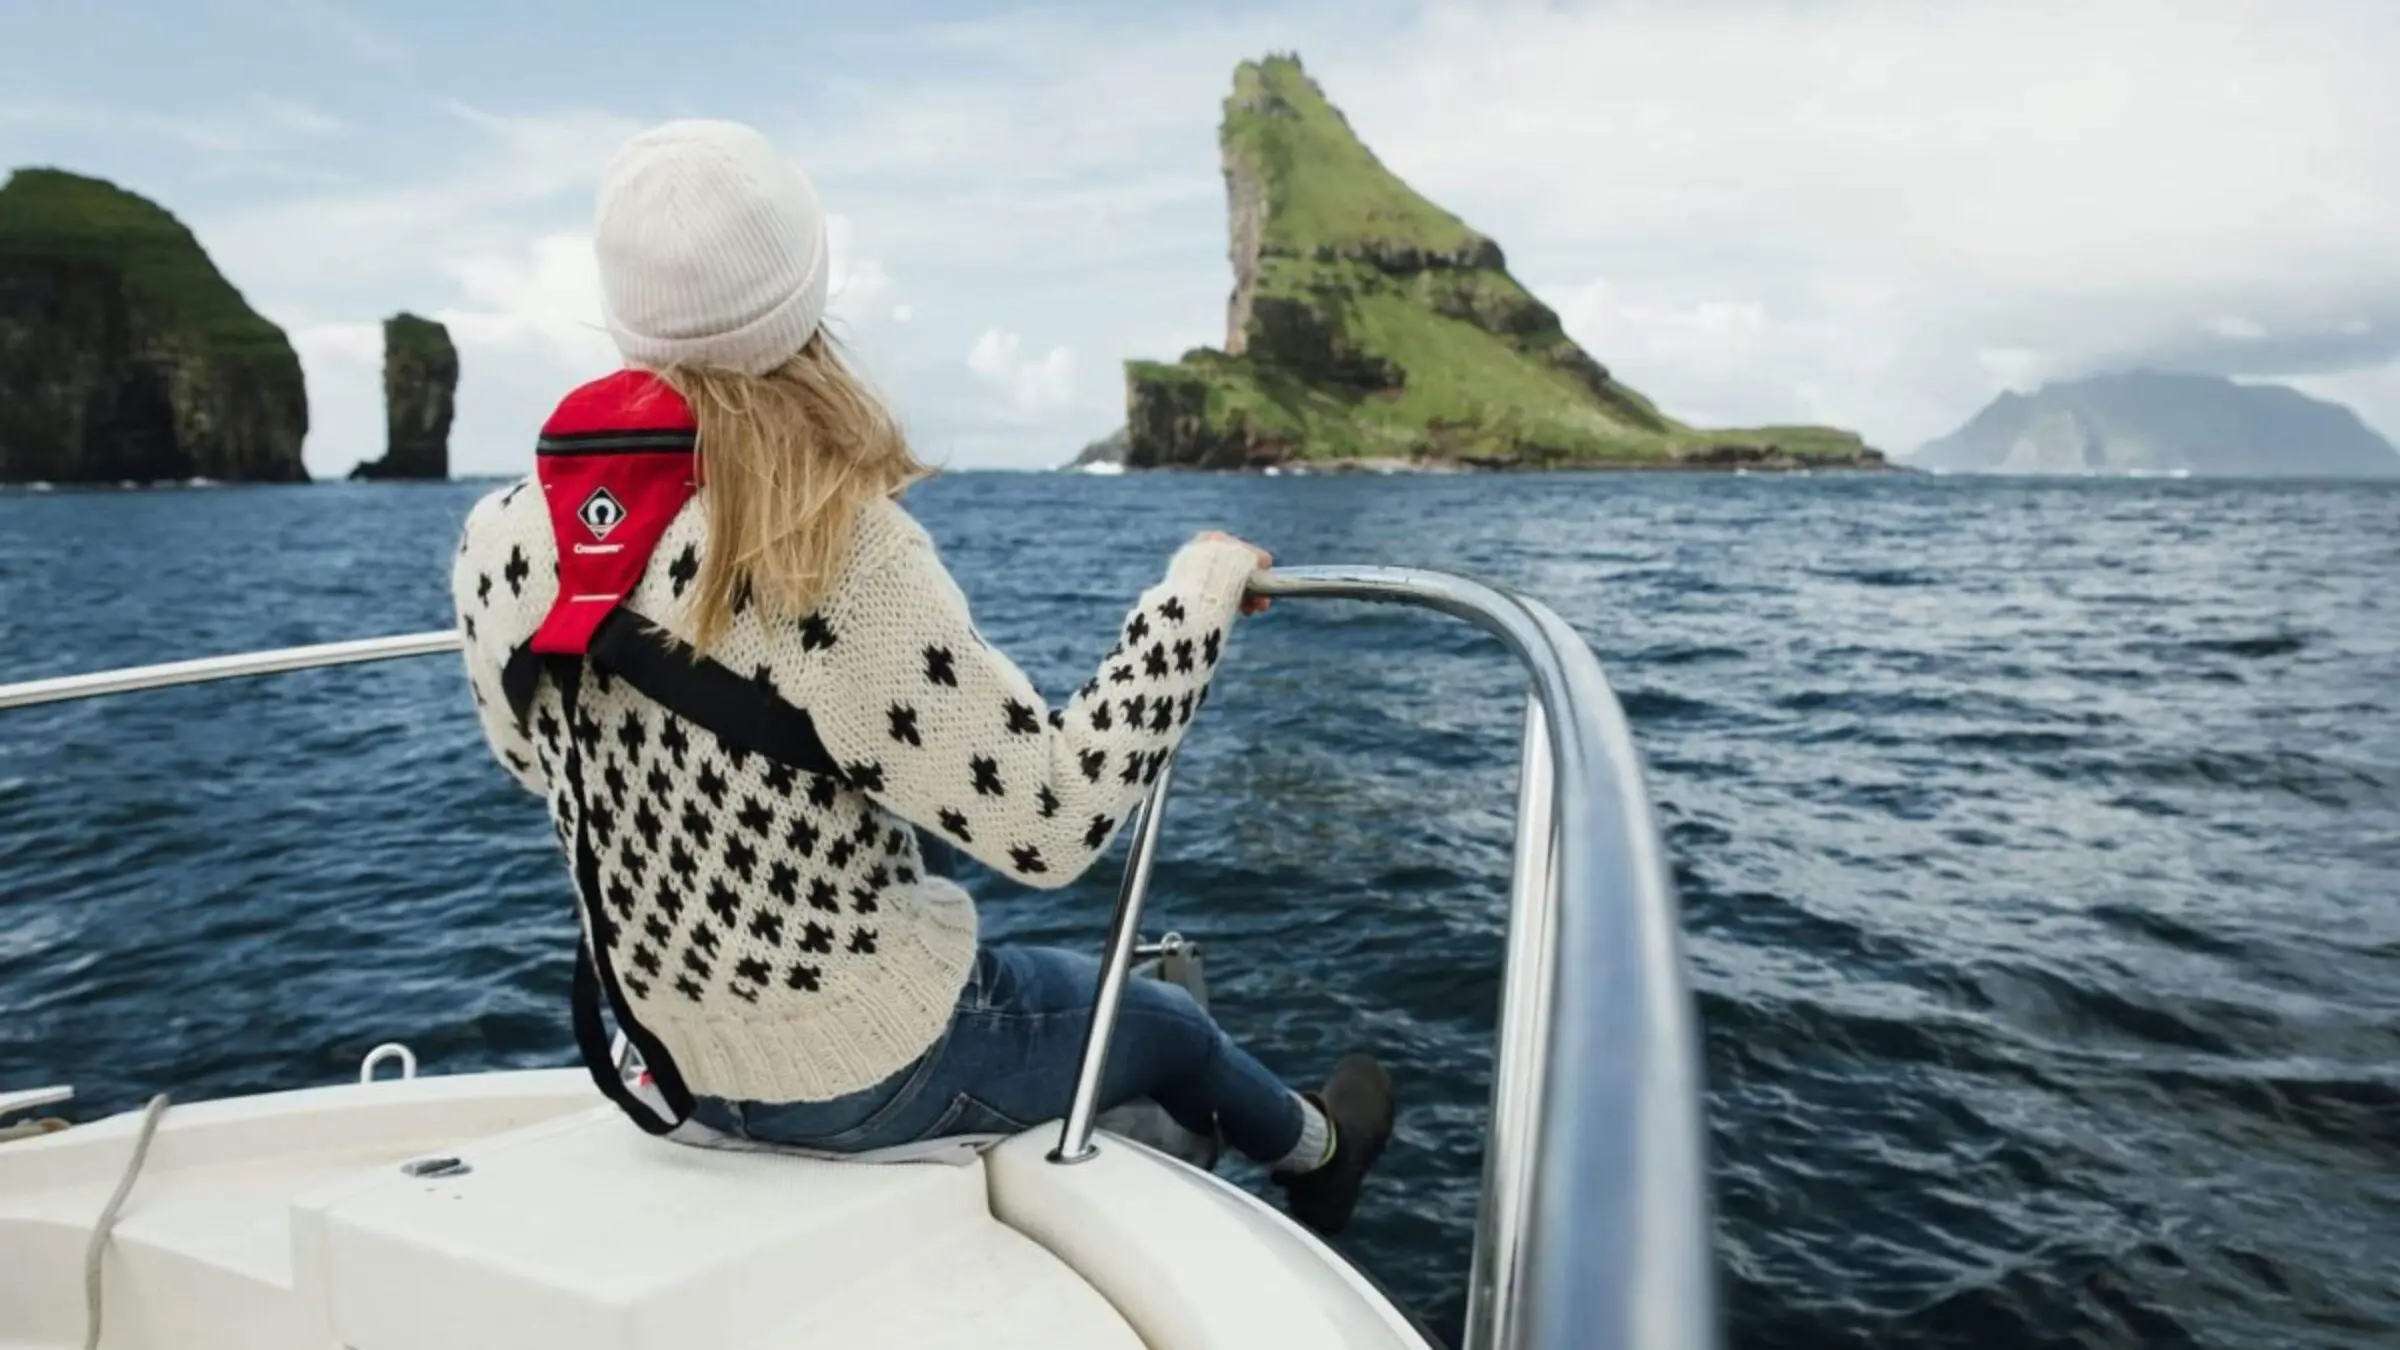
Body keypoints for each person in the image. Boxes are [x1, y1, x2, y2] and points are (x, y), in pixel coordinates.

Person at [449, 119, 1395, 1235]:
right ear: (806, 296)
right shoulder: (837, 548)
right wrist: (1194, 598)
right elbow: (1052, 824)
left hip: (659, 1058)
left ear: (621, 312)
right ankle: (1320, 1152)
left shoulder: (503, 538)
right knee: (1167, 1025)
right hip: (858, 1077)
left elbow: (533, 762)